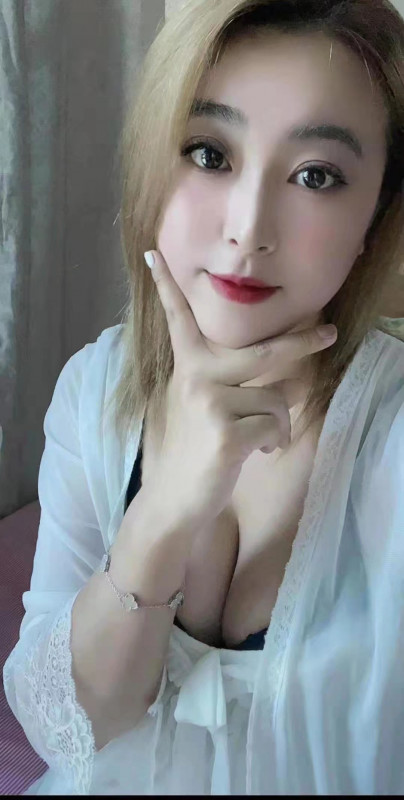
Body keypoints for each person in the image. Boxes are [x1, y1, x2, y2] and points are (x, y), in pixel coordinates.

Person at [3, 0, 404, 794]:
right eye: (210, 153)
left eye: (316, 175)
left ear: (375, 218)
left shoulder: (391, 434)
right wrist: (167, 507)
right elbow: (64, 730)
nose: (248, 229)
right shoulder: (94, 388)